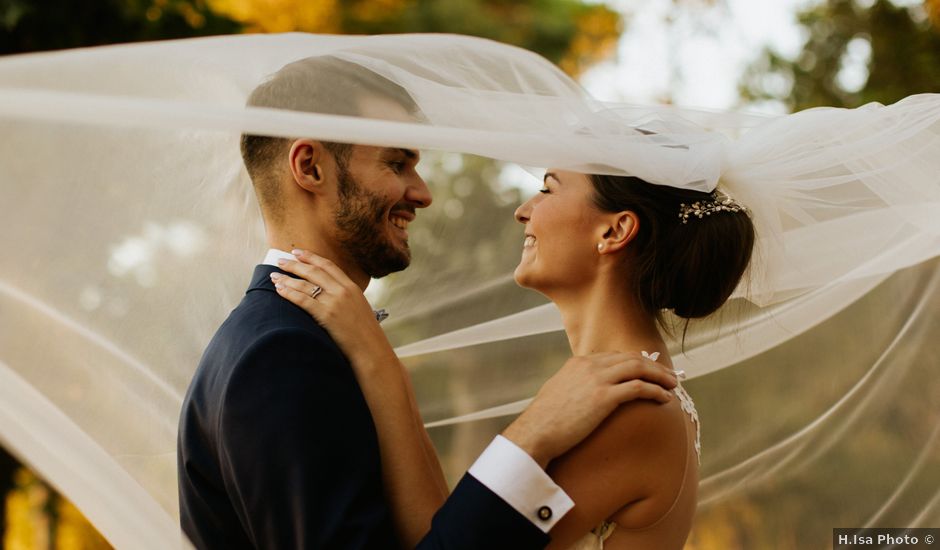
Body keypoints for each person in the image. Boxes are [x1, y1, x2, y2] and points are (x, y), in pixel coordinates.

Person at [176, 56, 680, 550]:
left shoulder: (300, 338)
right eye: (397, 163)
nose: (422, 193)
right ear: (310, 166)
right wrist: (531, 435)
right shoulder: (280, 354)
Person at [272, 166, 754, 548]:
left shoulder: (632, 408)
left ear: (615, 230)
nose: (524, 211)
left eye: (547, 188)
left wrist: (374, 356)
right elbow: (450, 531)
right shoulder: (608, 389)